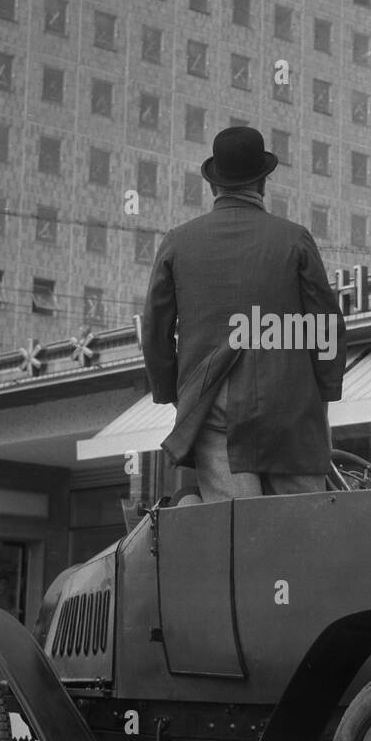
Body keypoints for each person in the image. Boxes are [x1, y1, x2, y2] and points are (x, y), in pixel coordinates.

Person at [142, 125, 346, 501]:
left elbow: (155, 333)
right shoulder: (294, 238)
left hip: (216, 403)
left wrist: (177, 395)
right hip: (292, 404)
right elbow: (327, 328)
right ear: (263, 182)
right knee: (302, 532)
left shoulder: (178, 243)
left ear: (213, 185)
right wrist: (324, 399)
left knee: (237, 534)